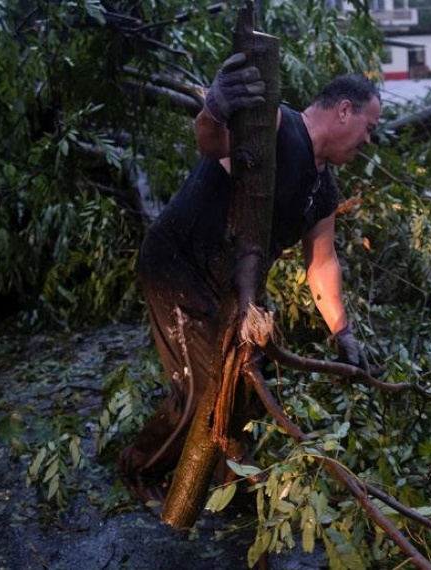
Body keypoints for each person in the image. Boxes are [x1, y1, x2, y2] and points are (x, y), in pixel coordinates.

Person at [118, 53, 381, 502]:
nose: (369, 142)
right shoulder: (277, 125)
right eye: (369, 128)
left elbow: (321, 264)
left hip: (230, 288)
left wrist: (345, 334)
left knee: (242, 384)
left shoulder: (325, 189)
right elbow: (213, 143)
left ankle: (224, 480)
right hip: (178, 264)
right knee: (202, 387)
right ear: (343, 110)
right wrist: (215, 109)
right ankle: (138, 469)